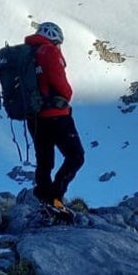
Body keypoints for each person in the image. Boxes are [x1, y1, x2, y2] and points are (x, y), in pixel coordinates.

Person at [24, 21, 85, 212]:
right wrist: (66, 96)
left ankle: (44, 196)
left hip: (34, 117)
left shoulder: (25, 53)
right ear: (54, 38)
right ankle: (56, 198)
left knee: (44, 160)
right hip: (56, 116)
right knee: (76, 156)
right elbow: (62, 87)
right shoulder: (49, 52)